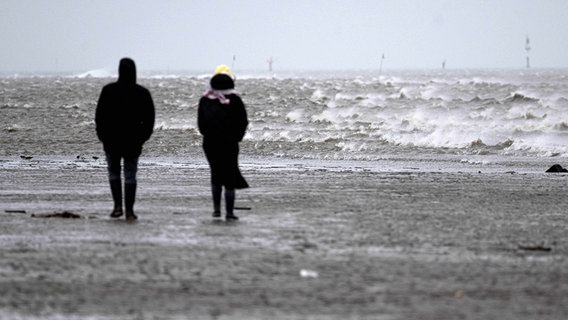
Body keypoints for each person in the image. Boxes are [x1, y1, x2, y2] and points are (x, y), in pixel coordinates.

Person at [95, 58, 155, 221]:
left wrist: (102, 135)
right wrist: (143, 137)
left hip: (111, 140)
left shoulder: (108, 90)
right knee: (130, 175)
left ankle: (117, 207)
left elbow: (100, 116)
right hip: (133, 141)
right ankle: (129, 211)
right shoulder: (142, 93)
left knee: (114, 173)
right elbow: (150, 119)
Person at [198, 65, 249, 220]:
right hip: (230, 144)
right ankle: (229, 212)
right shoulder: (235, 100)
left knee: (216, 175)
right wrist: (237, 137)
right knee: (229, 178)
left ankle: (216, 210)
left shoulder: (205, 100)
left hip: (210, 144)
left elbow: (201, 124)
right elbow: (243, 122)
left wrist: (209, 136)